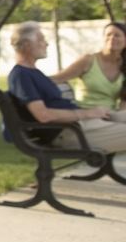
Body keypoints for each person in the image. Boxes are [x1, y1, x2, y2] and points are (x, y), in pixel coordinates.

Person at [8, 20, 126, 149]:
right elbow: (43, 115)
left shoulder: (33, 73)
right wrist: (87, 113)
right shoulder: (21, 75)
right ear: (27, 45)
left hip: (79, 124)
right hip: (69, 132)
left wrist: (88, 114)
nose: (46, 44)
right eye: (41, 40)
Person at [46, 20, 126, 110]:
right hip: (84, 114)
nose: (112, 38)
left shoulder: (123, 66)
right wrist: (31, 79)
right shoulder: (88, 60)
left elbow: (124, 102)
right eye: (108, 35)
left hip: (111, 116)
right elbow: (57, 78)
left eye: (117, 35)